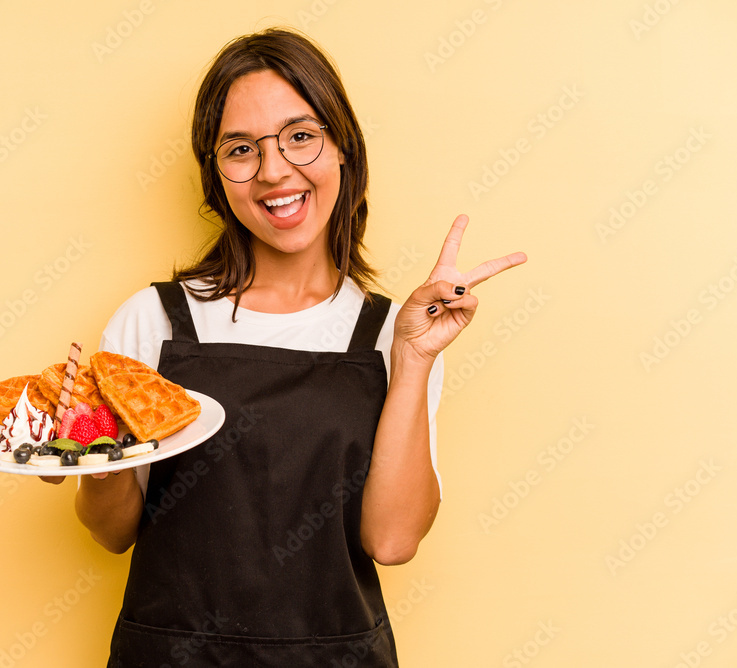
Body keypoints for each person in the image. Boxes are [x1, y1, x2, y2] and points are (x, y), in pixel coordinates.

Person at [54, 28, 526, 666]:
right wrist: (92, 445)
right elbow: (112, 533)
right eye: (241, 148)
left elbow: (390, 540)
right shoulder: (154, 322)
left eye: (301, 137)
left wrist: (414, 359)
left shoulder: (395, 333)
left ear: (342, 150)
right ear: (216, 174)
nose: (274, 171)